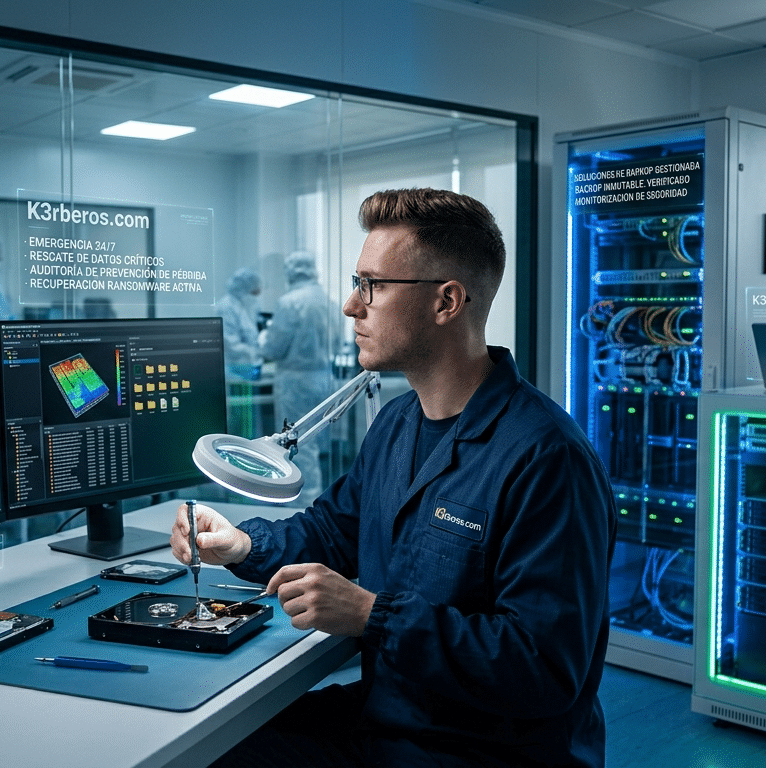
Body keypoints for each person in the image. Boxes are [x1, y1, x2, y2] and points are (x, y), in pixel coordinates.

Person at [172, 189, 617, 767]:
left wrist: (370, 616)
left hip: (481, 748)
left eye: (371, 286)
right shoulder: (397, 424)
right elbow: (335, 530)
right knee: (214, 747)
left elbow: (542, 668)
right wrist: (242, 544)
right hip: (394, 716)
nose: (350, 307)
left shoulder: (546, 459)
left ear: (446, 302)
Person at [260, 251, 339, 499]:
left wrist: (262, 339)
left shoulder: (290, 302)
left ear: (291, 271)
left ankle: (302, 501)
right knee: (316, 444)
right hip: (324, 379)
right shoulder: (330, 302)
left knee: (296, 445)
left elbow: (273, 348)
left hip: (296, 382)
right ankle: (315, 498)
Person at [216, 268, 264, 381]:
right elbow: (230, 343)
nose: (255, 297)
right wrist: (257, 353)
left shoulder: (244, 305)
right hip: (233, 369)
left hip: (247, 367)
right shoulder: (226, 307)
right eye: (254, 292)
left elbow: (250, 335)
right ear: (244, 288)